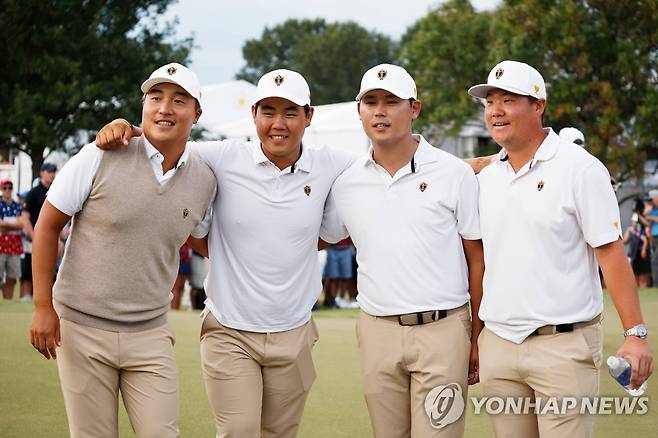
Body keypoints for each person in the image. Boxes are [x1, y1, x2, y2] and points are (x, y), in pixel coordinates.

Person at [95, 69, 356, 438]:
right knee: (239, 431)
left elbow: (390, 164)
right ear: (254, 114)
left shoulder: (333, 162)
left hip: (294, 330)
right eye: (268, 111)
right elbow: (164, 140)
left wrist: (466, 167)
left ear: (308, 116)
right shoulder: (222, 156)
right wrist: (125, 125)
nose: (277, 123)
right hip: (230, 330)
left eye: (290, 112)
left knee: (280, 433)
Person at [29, 62, 216, 438]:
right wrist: (42, 306)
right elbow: (47, 226)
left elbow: (200, 238)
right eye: (155, 97)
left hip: (150, 332)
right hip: (82, 327)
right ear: (142, 105)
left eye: (179, 100)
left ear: (196, 113)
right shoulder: (99, 154)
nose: (165, 108)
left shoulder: (204, 178)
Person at [468, 60, 653, 438]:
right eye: (490, 102)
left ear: (539, 105)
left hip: (563, 346)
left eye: (509, 100)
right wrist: (476, 339)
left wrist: (636, 334)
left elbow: (611, 253)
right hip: (499, 346)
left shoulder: (581, 169)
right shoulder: (485, 179)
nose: (496, 110)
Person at [322, 64, 484, 437]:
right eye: (371, 102)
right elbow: (317, 236)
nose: (380, 111)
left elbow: (477, 258)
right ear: (358, 110)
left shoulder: (452, 173)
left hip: (443, 329)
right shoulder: (346, 183)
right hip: (377, 330)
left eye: (391, 102)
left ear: (414, 108)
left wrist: (477, 335)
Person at [20, 162, 57, 301]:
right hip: (34, 238)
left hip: (52, 239)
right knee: (30, 271)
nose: (51, 174)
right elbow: (25, 218)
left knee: (52, 269)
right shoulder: (33, 193)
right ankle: (27, 298)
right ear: (41, 173)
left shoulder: (56, 190)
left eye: (53, 171)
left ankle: (49, 299)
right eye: (48, 171)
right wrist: (36, 237)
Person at [0, 178, 24, 300]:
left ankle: (7, 301)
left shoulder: (17, 206)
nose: (8, 190)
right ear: (1, 189)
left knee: (12, 277)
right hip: (1, 245)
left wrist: (5, 225)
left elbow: (22, 223)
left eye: (10, 187)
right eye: (5, 188)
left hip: (15, 246)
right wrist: (14, 224)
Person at [643, 189, 658, 285]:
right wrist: (643, 214)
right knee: (654, 260)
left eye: (651, 200)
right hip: (654, 239)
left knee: (655, 260)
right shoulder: (652, 210)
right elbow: (647, 223)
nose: (650, 202)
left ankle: (656, 284)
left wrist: (649, 217)